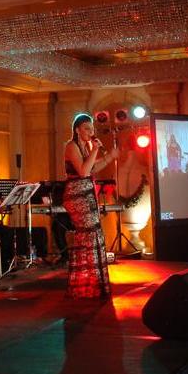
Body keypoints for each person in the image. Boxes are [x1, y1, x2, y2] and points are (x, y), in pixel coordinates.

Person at [62, 113, 118, 299]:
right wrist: (95, 149)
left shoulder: (85, 146)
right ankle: (84, 284)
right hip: (77, 196)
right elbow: (84, 171)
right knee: (87, 235)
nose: (90, 132)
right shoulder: (71, 146)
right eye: (87, 128)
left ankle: (92, 282)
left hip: (87, 194)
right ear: (77, 129)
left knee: (94, 234)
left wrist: (109, 157)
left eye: (92, 129)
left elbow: (92, 168)